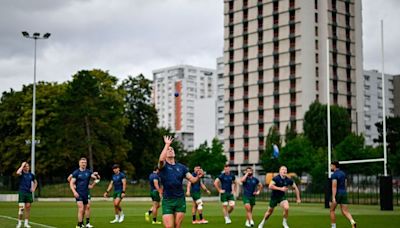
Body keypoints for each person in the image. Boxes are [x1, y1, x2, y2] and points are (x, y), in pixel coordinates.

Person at [158, 136, 204, 228]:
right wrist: (167, 144)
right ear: (165, 152)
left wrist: (198, 177)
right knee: (169, 227)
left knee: (177, 226)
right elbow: (161, 160)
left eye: (172, 149)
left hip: (180, 200)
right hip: (167, 200)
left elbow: (193, 180)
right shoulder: (163, 166)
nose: (170, 150)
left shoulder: (182, 167)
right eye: (168, 149)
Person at [69, 157, 99, 228]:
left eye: (85, 163)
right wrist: (74, 192)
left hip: (86, 193)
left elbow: (96, 178)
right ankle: (79, 225)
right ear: (79, 163)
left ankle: (85, 223)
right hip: (79, 193)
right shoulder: (76, 172)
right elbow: (71, 183)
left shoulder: (88, 172)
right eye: (82, 162)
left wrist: (96, 175)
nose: (83, 164)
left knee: (86, 208)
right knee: (81, 208)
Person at [330, 161, 357, 228]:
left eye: (331, 165)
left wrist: (333, 197)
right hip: (344, 193)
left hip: (337, 193)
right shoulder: (343, 173)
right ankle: (352, 221)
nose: (330, 167)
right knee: (345, 211)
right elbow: (345, 184)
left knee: (332, 210)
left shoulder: (334, 175)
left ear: (334, 166)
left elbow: (334, 186)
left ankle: (333, 227)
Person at [16, 162, 37, 228]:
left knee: (28, 208)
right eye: (26, 166)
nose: (27, 167)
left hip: (29, 193)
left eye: (28, 166)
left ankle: (26, 223)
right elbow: (17, 172)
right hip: (22, 192)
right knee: (21, 208)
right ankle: (19, 223)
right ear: (24, 167)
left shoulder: (31, 175)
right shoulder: (21, 173)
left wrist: (33, 188)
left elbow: (35, 182)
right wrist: (22, 165)